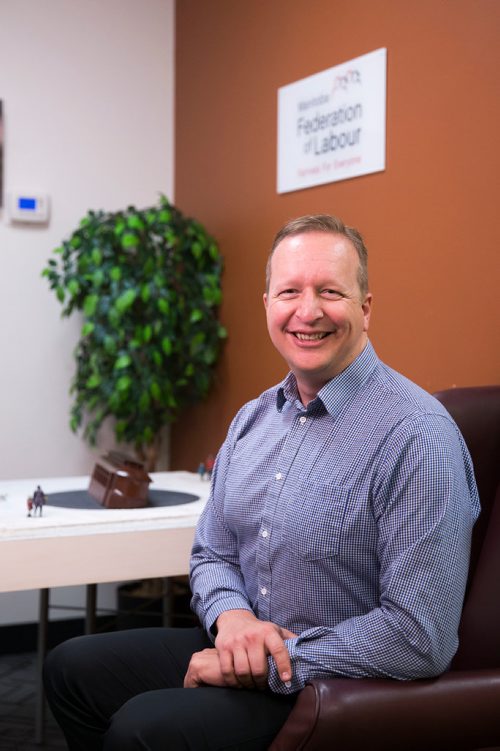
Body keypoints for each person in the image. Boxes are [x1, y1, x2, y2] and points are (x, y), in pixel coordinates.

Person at [44, 214, 480, 750]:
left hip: (336, 684)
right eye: (289, 291)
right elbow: (212, 552)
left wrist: (265, 663)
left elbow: (420, 637)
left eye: (330, 291)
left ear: (366, 308)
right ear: (267, 305)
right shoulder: (252, 419)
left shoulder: (417, 434)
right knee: (71, 669)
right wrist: (232, 620)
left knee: (143, 731)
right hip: (245, 641)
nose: (307, 311)